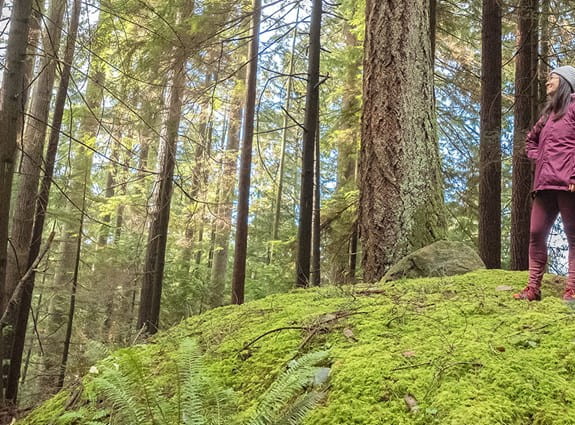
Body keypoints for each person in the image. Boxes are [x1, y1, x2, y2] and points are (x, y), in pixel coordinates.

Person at [513, 65, 575, 302]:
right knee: (536, 232)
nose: (547, 82)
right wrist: (539, 157)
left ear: (565, 82)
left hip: (569, 184)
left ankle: (572, 289)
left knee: (573, 236)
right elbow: (531, 140)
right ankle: (533, 288)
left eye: (552, 78)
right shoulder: (548, 115)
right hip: (544, 184)